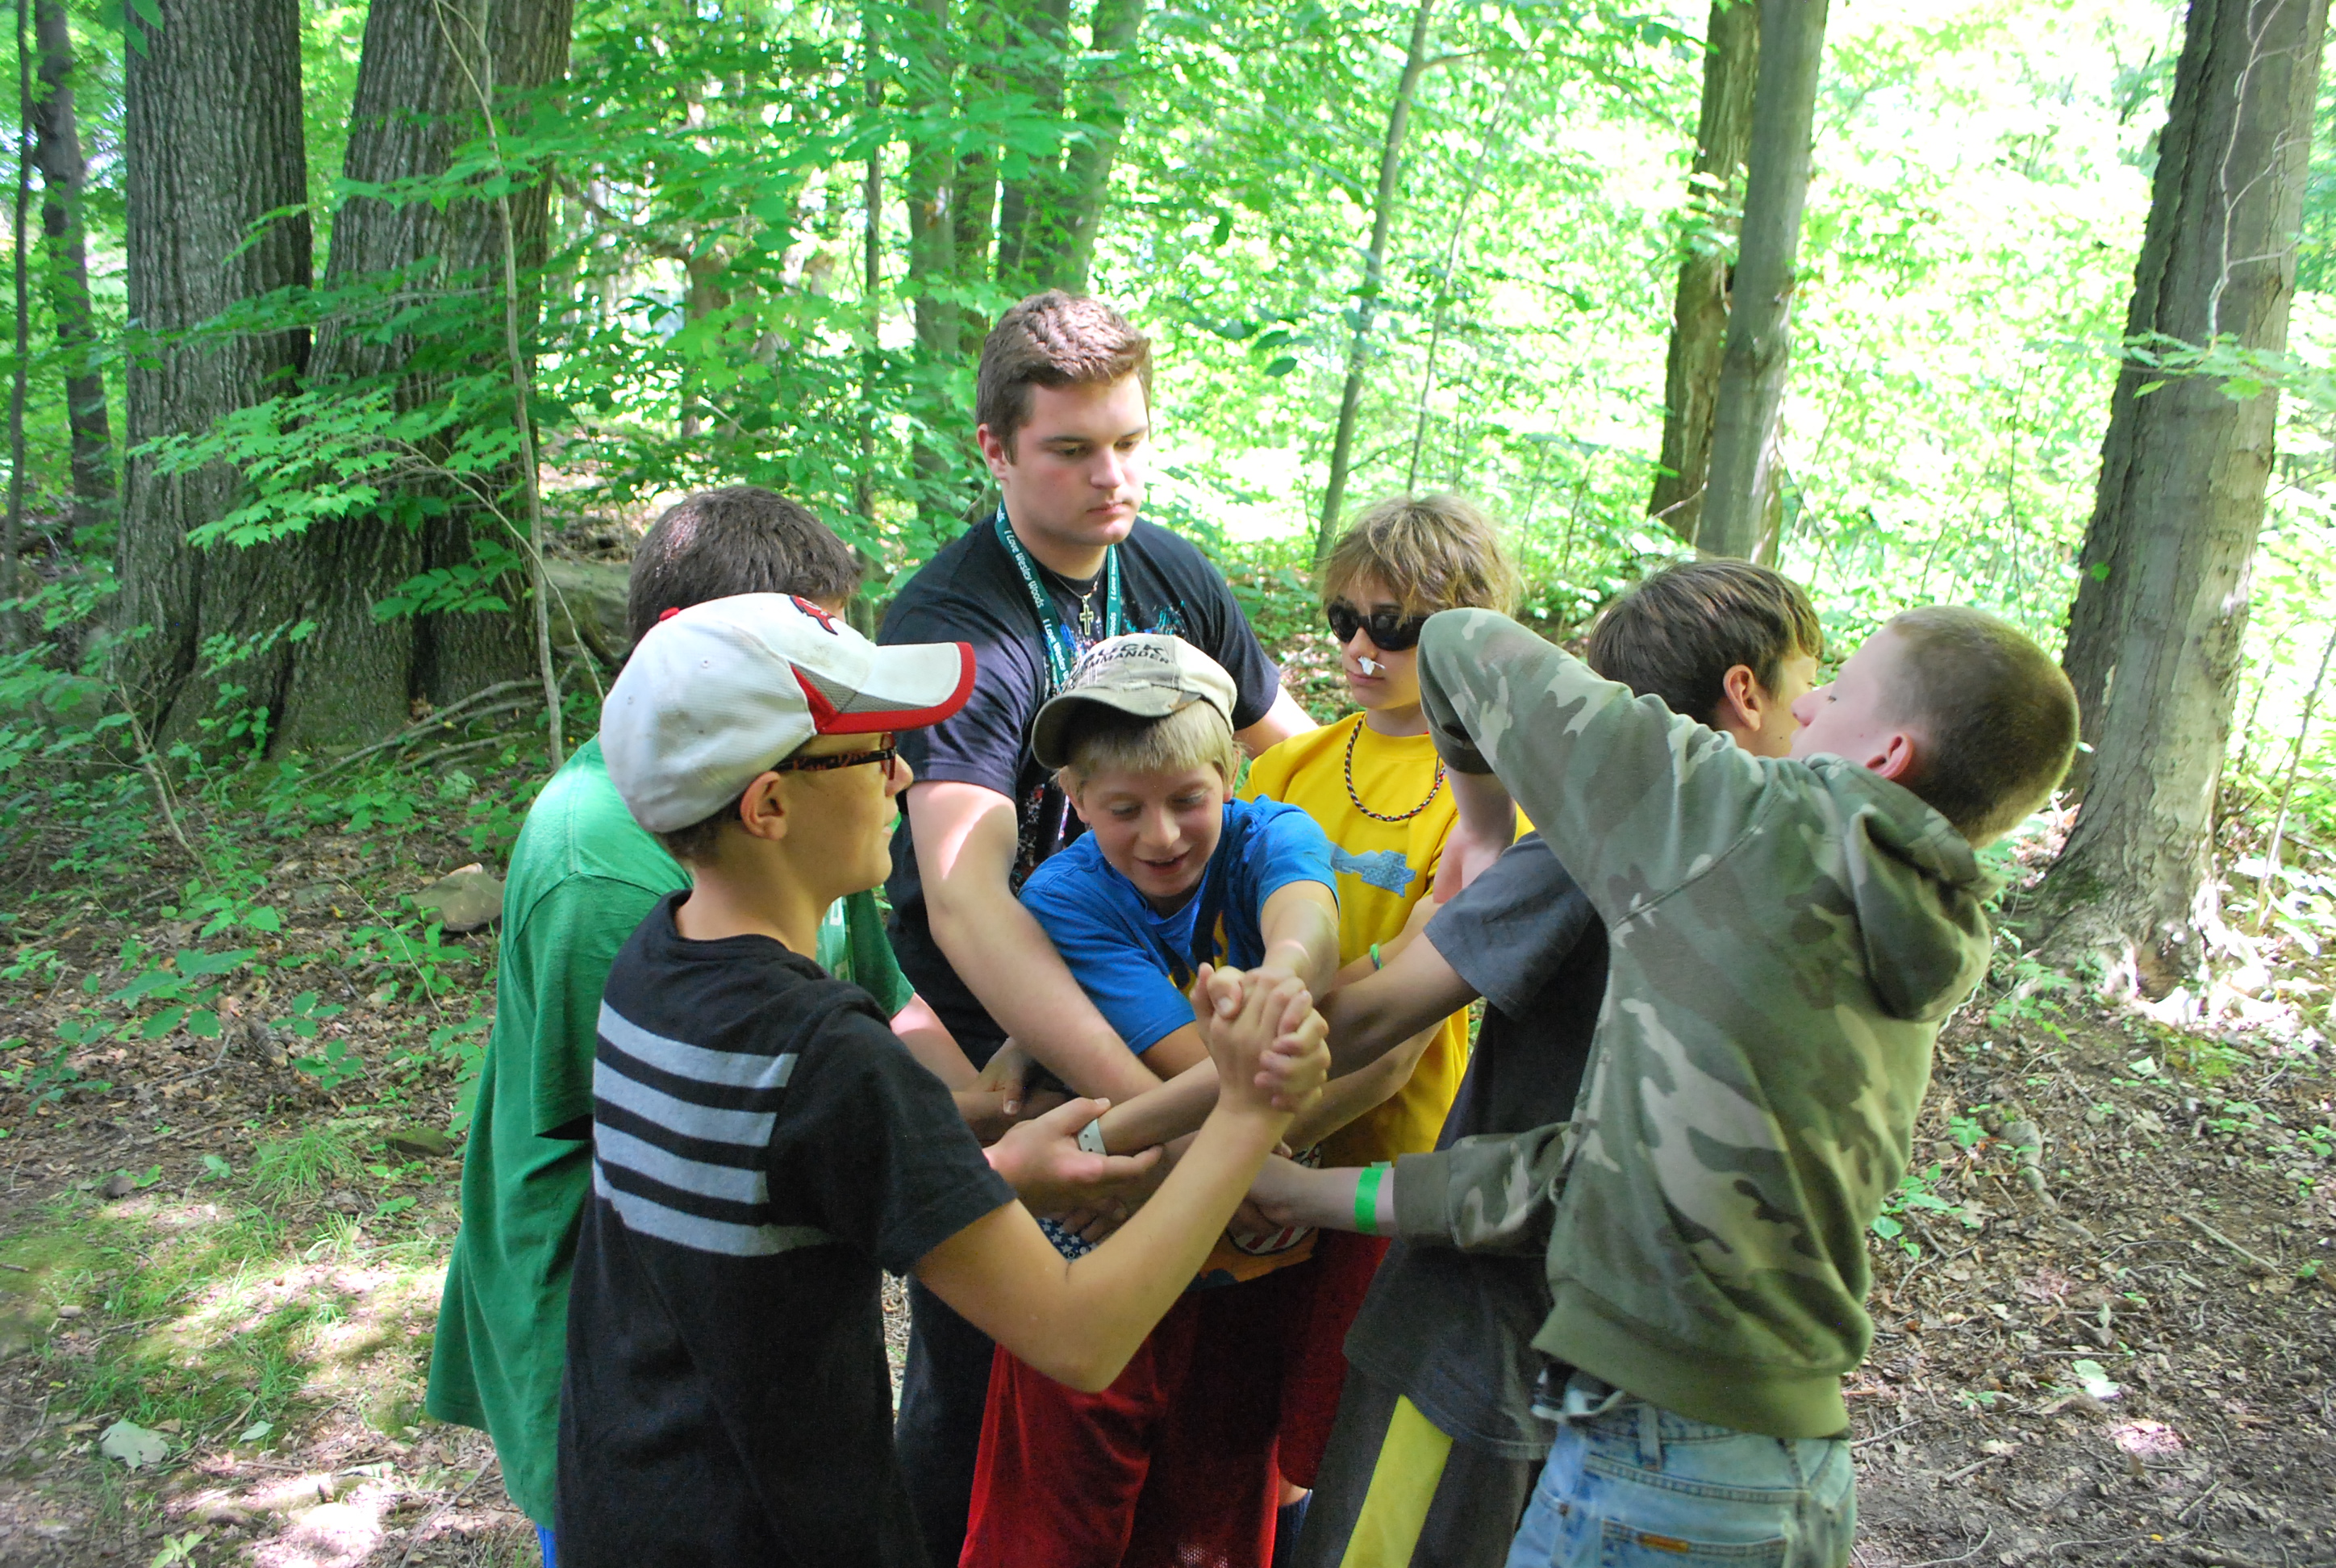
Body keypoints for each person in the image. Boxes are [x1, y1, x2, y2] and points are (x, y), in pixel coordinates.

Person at [1249, 600, 2077, 1568]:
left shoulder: (1733, 822)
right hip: (1784, 1458)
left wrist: (1477, 824)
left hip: (1617, 1439)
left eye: (1835, 688)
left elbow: (1459, 640)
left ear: (1888, 755)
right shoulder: (1909, 919)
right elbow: (1604, 1167)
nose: (1810, 711)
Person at [556, 594, 1333, 1568]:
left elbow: (778, 1193)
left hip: (627, 1503)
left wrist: (994, 1168)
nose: (903, 773)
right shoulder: (829, 1057)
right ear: (768, 805)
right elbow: (1080, 1336)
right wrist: (1245, 1116)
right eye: (868, 753)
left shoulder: (658, 963)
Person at [423, 487, 1000, 1567]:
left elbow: (891, 1005)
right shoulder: (605, 867)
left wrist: (991, 1097)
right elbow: (695, 1132)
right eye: (819, 677)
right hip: (615, 1332)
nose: (893, 764)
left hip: (738, 1317)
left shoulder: (802, 837)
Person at [1250, 560, 1825, 1568]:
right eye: (1807, 685)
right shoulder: (1590, 850)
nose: (1814, 715)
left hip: (1599, 1386)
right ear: (1745, 694)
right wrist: (1178, 1133)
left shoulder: (1768, 873)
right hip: (1474, 1350)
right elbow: (1374, 1014)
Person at [879, 289, 1313, 1558]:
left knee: (1198, 1421)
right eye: (1070, 449)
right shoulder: (954, 626)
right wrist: (1176, 1130)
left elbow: (1285, 765)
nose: (1108, 476)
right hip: (1036, 1086)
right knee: (997, 1414)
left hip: (1193, 1034)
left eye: (1127, 440)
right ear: (995, 450)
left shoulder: (1168, 569)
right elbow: (966, 892)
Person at [958, 632, 1354, 1568]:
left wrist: (1280, 981)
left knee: (1212, 1517)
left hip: (1243, 1263)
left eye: (1189, 802)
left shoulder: (1271, 833)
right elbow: (1188, 1069)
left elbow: (1308, 919)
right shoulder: (1065, 895)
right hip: (1123, 1240)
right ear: (1074, 799)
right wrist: (1279, 1067)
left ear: (1231, 777)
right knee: (1058, 1517)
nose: (1163, 836)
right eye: (1124, 810)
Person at [1237, 493, 1523, 1523]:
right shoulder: (1284, 767)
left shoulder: (1491, 799)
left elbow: (1405, 1022)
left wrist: (1237, 1160)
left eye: (1393, 626)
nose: (1361, 647)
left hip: (1375, 1165)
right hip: (1249, 1126)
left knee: (1324, 1433)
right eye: (1343, 620)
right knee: (1232, 1429)